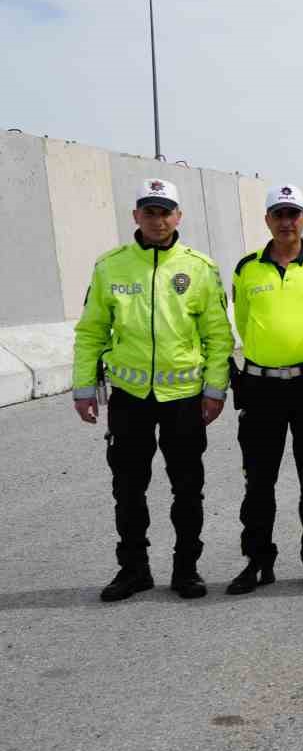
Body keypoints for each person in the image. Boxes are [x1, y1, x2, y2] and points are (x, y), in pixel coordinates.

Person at [72, 179, 233, 601]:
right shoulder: (111, 266)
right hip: (130, 398)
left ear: (178, 216)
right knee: (127, 488)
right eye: (149, 211)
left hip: (183, 399)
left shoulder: (200, 268)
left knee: (187, 488)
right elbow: (91, 332)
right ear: (136, 216)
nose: (157, 219)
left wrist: (215, 390)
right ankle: (133, 569)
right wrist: (83, 388)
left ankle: (187, 569)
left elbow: (218, 336)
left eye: (165, 211)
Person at [227, 184, 303, 593]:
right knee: (259, 483)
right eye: (278, 214)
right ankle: (258, 562)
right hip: (262, 389)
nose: (286, 221)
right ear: (267, 221)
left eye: (293, 213)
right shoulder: (247, 269)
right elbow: (243, 323)